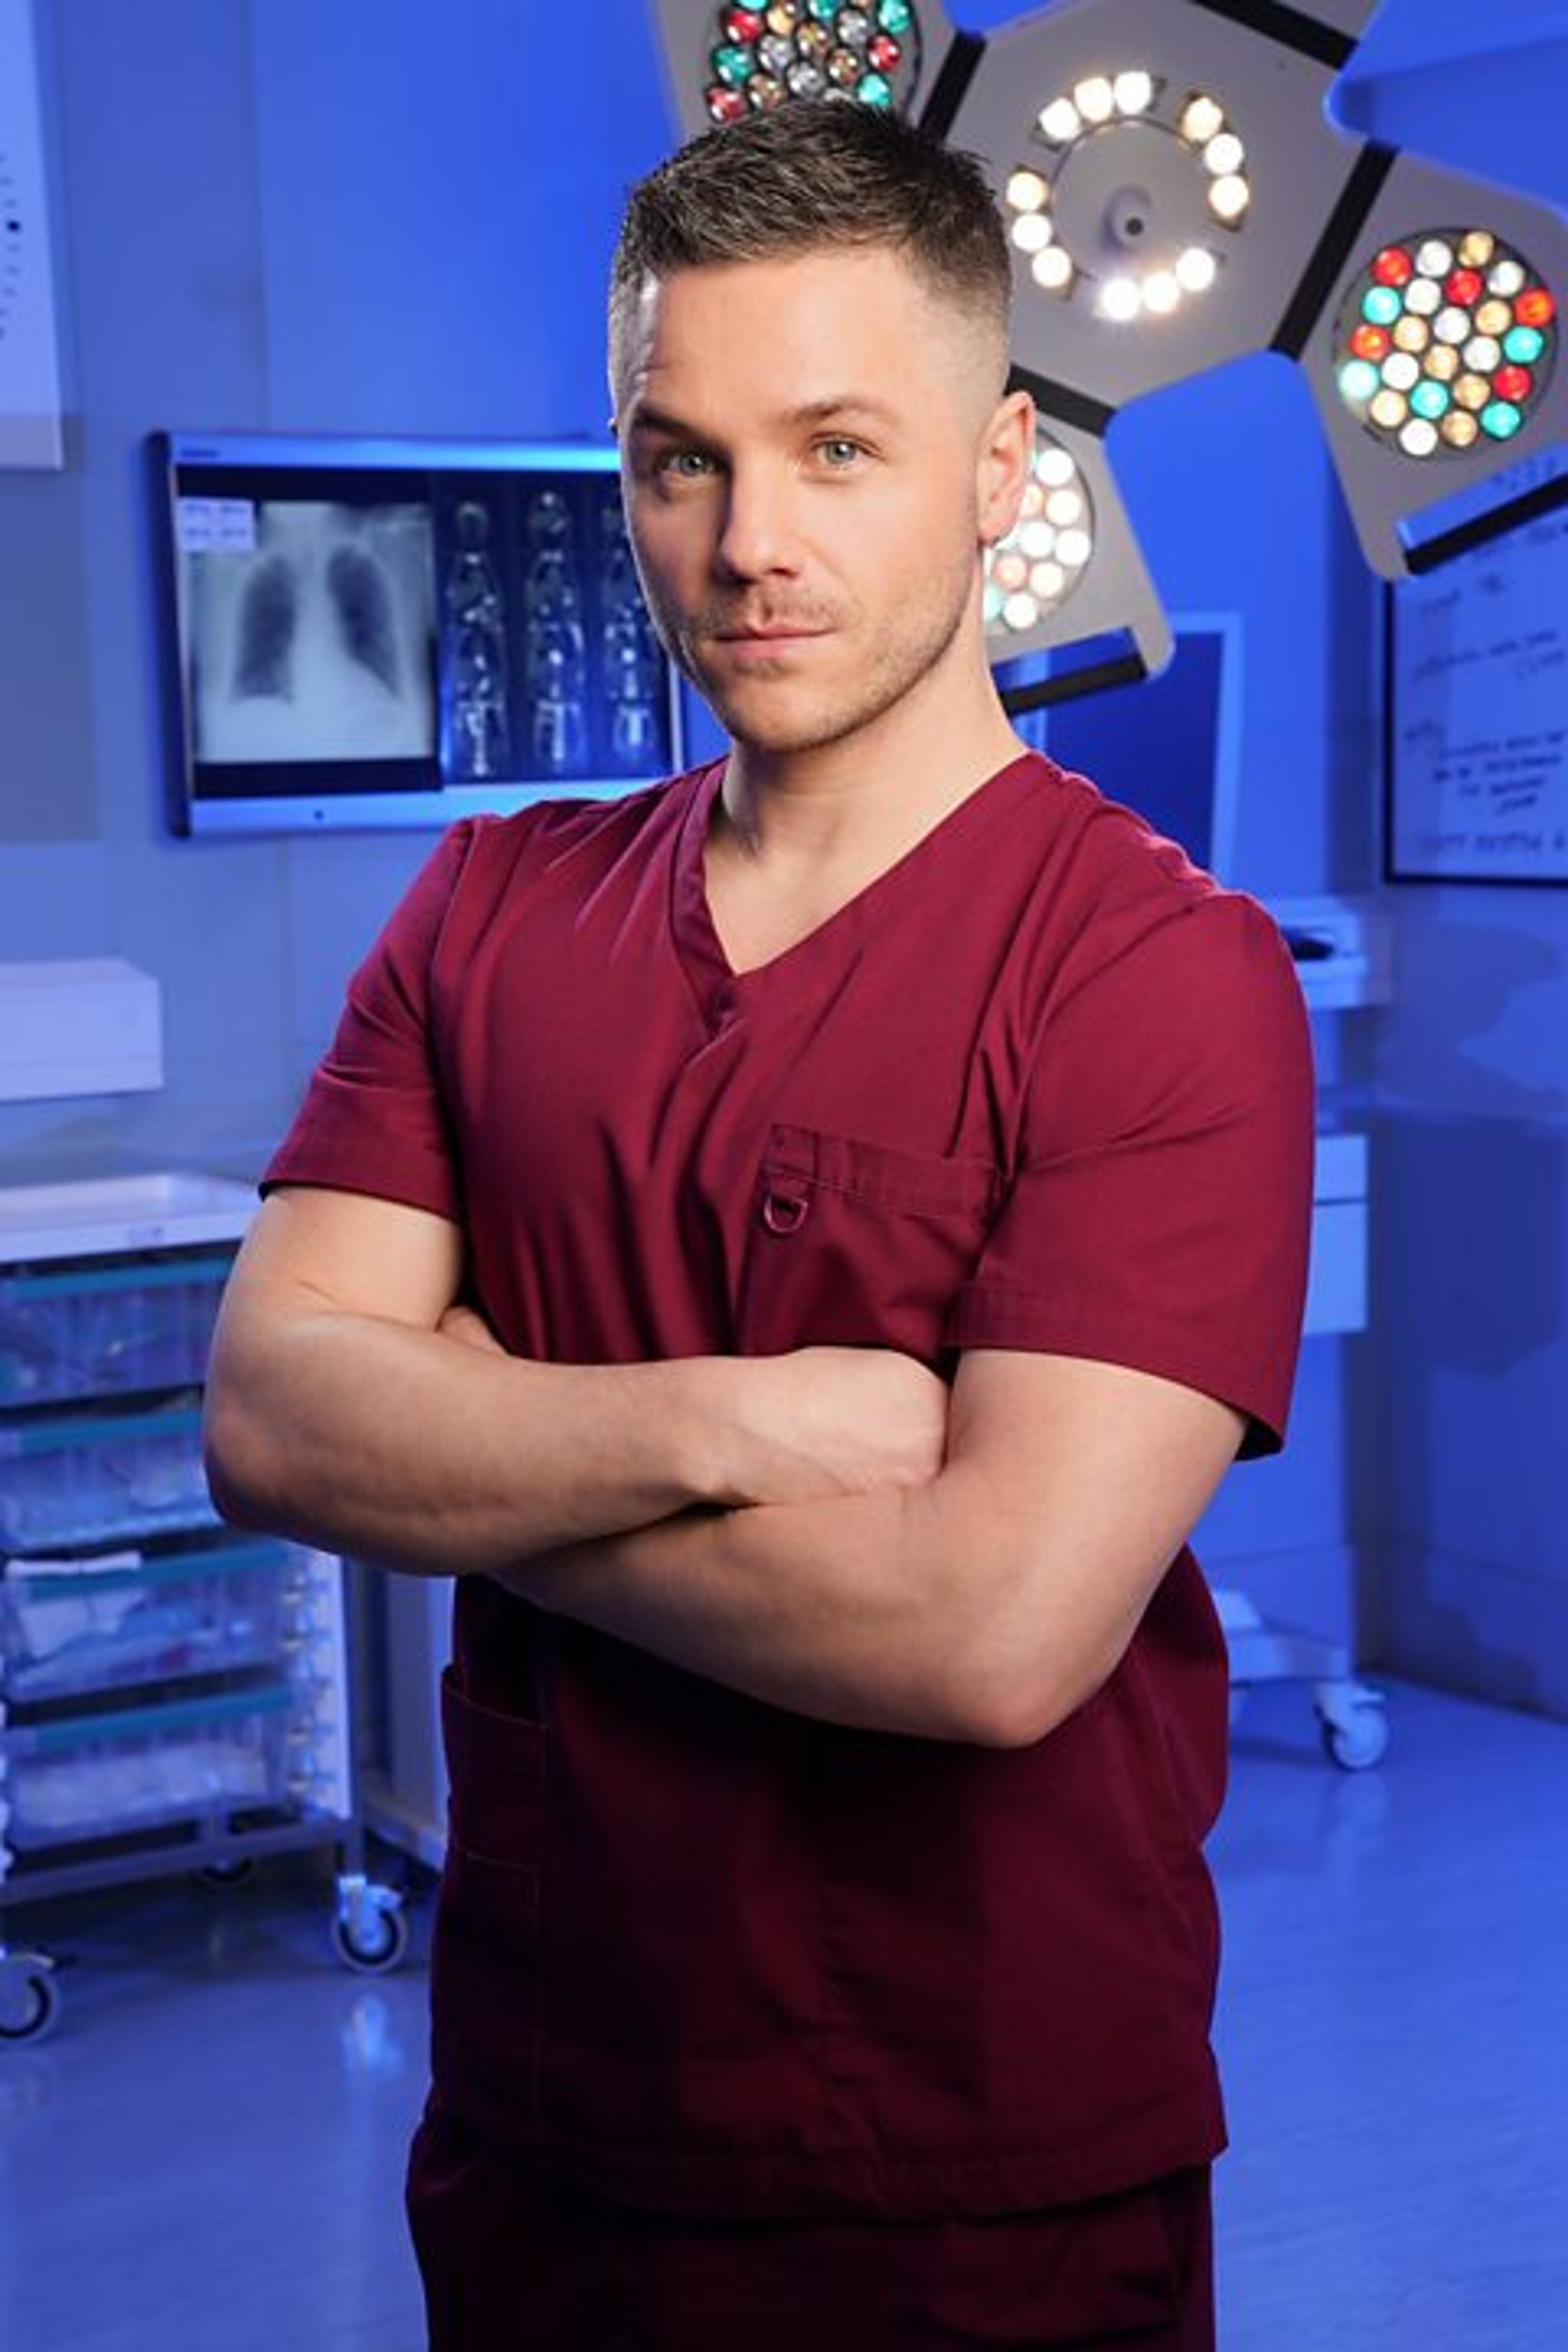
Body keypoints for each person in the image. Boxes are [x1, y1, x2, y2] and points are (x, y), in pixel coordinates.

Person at [205, 98, 1314, 2352]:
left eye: (837, 449)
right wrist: (745, 1420)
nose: (746, 545)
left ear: (1003, 467)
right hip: (548, 2119)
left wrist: (476, 1448)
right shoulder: (496, 907)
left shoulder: (1153, 974)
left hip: (969, 2175)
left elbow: (988, 1636)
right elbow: (271, 1420)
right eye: (677, 457)